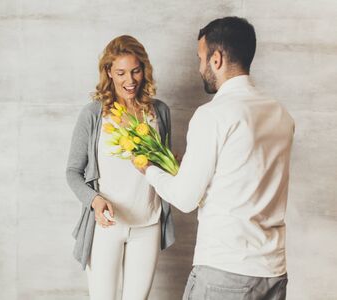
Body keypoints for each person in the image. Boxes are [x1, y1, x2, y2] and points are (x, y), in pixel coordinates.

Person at [136, 17, 295, 299]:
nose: (200, 67)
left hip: (226, 270)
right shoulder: (280, 114)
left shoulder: (213, 115)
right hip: (272, 272)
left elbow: (185, 198)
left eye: (201, 58)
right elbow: (244, 175)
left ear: (217, 58)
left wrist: (149, 169)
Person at [66, 35, 175, 300]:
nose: (130, 80)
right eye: (121, 72)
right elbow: (73, 172)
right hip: (107, 227)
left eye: (136, 71)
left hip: (147, 224)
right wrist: (95, 200)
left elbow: (164, 167)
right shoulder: (93, 114)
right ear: (108, 73)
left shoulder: (158, 112)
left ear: (144, 69)